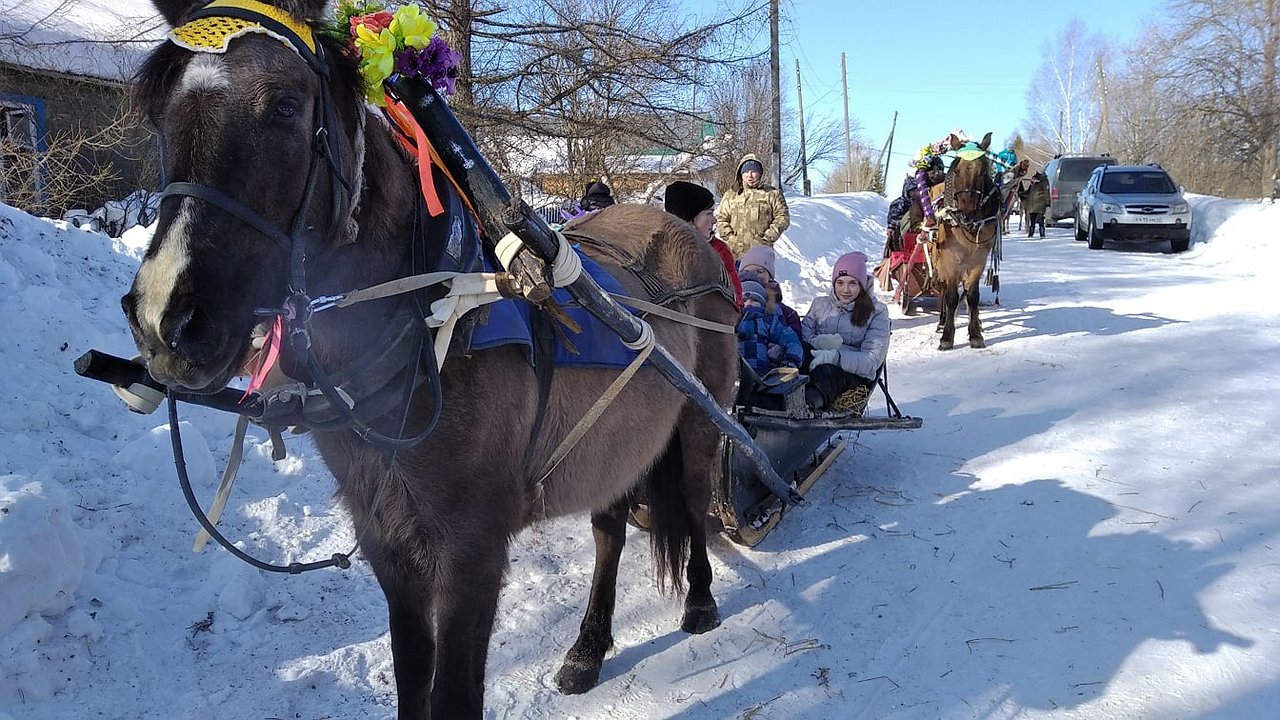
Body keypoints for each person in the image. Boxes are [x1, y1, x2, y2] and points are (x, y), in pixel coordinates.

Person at [801, 251, 890, 414]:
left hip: (851, 375)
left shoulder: (877, 312)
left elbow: (871, 360)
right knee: (797, 355)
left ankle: (807, 406)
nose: (845, 290)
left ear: (862, 284)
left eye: (852, 283)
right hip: (816, 360)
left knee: (825, 372)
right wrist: (817, 343)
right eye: (840, 283)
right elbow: (804, 336)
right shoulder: (819, 305)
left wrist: (835, 357)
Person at [664, 180, 742, 308]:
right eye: (709, 213)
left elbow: (736, 301)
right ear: (689, 219)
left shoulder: (719, 251)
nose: (715, 220)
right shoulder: (661, 253)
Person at [714, 154, 790, 257]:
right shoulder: (731, 194)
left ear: (760, 173)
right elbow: (720, 218)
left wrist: (766, 239)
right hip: (734, 255)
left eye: (754, 171)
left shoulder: (771, 193)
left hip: (761, 255)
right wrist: (730, 238)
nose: (749, 175)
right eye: (746, 172)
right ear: (741, 174)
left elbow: (783, 217)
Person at [737, 280, 803, 378]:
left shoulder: (768, 320)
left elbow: (790, 339)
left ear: (763, 304)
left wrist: (791, 360)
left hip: (762, 370)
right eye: (744, 300)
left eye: (755, 300)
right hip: (734, 370)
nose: (749, 304)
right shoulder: (733, 319)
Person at [738, 244, 802, 339]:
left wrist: (781, 349)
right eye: (747, 271)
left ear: (770, 277)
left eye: (760, 271)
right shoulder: (729, 302)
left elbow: (794, 340)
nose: (753, 275)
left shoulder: (787, 314)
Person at [1018, 170, 1050, 238]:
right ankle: (1031, 233)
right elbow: (1029, 192)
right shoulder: (1033, 183)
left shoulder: (1043, 182)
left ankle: (1042, 233)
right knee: (1032, 220)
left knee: (1040, 220)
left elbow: (1046, 193)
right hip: (1032, 204)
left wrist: (1048, 203)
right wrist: (1021, 193)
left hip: (1040, 204)